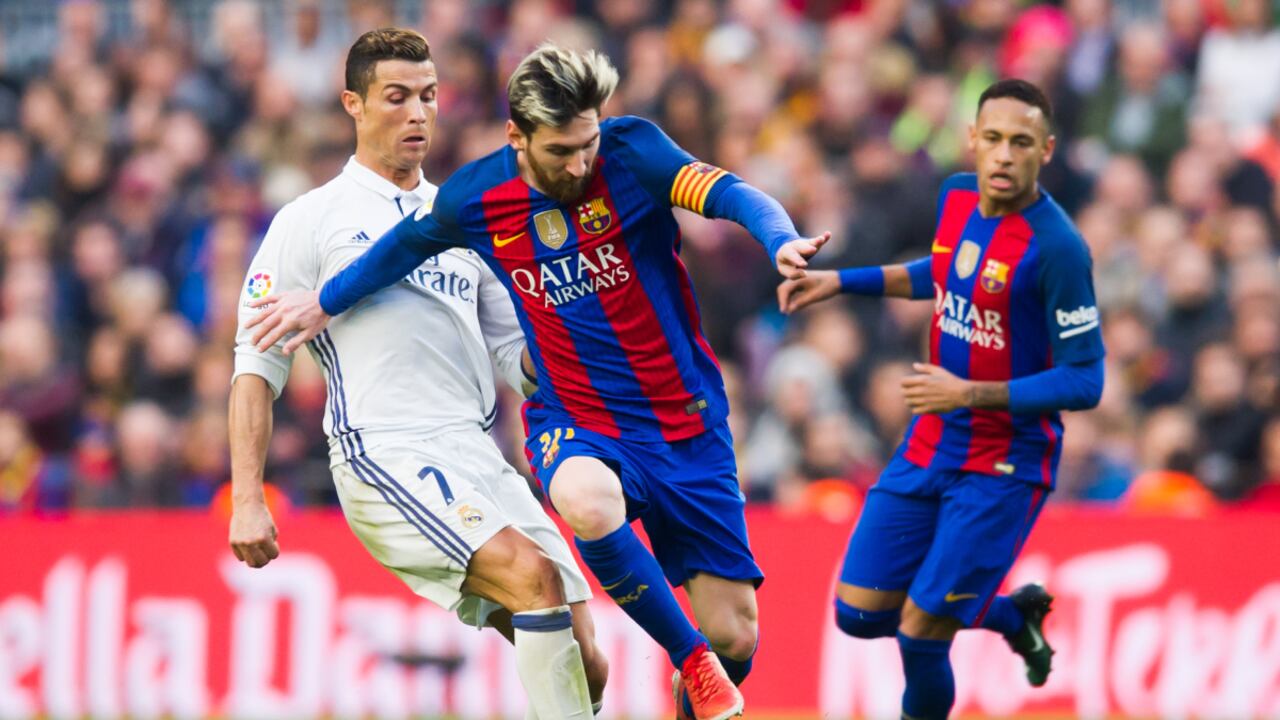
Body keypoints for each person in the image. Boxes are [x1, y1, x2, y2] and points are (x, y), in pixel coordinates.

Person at [244, 42, 829, 720]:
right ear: (516, 137)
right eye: (561, 151)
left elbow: (727, 192)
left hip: (685, 424)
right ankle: (690, 659)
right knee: (586, 502)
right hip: (574, 417)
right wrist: (325, 301)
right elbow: (397, 253)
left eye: (587, 143)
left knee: (738, 636)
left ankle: (705, 664)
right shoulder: (478, 197)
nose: (580, 164)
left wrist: (778, 235)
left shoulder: (633, 152)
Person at [227, 29, 606, 719]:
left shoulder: (461, 220)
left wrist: (573, 345)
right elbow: (255, 365)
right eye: (397, 98)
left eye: (429, 97)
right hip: (384, 447)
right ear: (354, 104)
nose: (417, 114)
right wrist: (247, 497)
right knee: (532, 579)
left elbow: (511, 358)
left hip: (477, 452)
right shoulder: (309, 221)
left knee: (588, 655)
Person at [778, 79, 1105, 720]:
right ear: (972, 141)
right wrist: (840, 282)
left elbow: (1085, 381)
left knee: (922, 634)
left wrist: (969, 392)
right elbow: (942, 269)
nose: (1004, 156)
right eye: (993, 140)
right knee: (857, 614)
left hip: (1004, 465)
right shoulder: (955, 196)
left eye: (1020, 143)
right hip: (930, 442)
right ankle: (1013, 615)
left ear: (1045, 150)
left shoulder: (1060, 249)